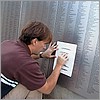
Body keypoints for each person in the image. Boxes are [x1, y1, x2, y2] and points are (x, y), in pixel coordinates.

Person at [1, 21, 68, 99]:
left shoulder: (7, 44)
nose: (44, 47)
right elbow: (47, 89)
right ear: (35, 41)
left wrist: (41, 55)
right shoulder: (26, 63)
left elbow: (19, 62)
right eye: (44, 44)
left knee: (33, 83)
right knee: (37, 86)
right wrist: (59, 65)